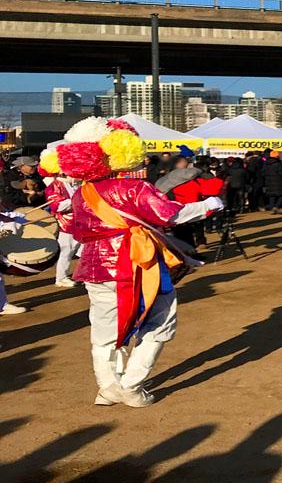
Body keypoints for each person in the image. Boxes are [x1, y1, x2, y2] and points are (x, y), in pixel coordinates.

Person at [48, 117, 222, 407]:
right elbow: (170, 215)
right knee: (160, 321)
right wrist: (210, 205)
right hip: (137, 264)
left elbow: (78, 230)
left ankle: (107, 387)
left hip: (93, 267)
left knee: (104, 330)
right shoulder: (133, 188)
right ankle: (131, 385)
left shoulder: (81, 193)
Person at [40, 148, 81, 288]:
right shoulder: (54, 186)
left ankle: (82, 274)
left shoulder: (75, 184)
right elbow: (56, 206)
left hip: (79, 223)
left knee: (82, 250)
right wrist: (77, 200)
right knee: (67, 251)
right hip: (66, 225)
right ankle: (61, 278)